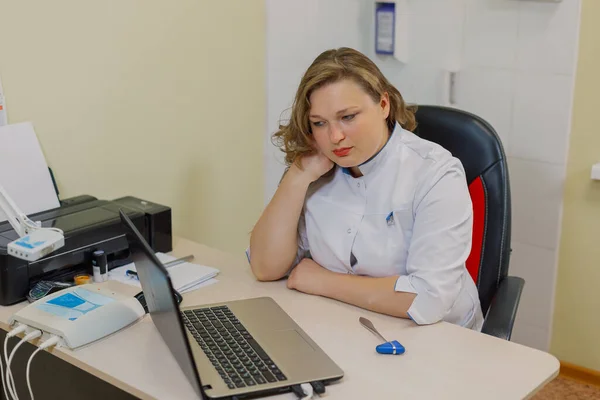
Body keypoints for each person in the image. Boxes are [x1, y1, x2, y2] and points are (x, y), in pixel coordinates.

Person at [248, 47, 483, 330]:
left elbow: (428, 299)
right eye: (320, 123)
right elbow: (265, 267)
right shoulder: (316, 170)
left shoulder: (435, 173)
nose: (335, 137)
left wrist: (322, 281)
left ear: (384, 105)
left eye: (348, 117)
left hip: (438, 336)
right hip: (345, 324)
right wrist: (298, 175)